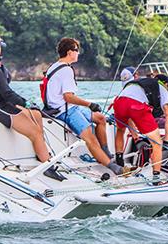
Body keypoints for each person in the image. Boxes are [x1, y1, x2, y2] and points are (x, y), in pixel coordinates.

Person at [0, 32, 65, 182]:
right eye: (0, 47)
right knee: (35, 132)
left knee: (37, 114)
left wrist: (32, 107)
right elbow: (7, 93)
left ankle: (40, 154)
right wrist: (26, 103)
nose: (2, 49)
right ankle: (48, 167)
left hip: (4, 102)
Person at [43, 37, 122, 175]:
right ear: (69, 52)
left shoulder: (54, 66)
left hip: (67, 107)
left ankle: (105, 153)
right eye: (76, 50)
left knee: (100, 118)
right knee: (90, 138)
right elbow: (68, 97)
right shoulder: (66, 70)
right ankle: (113, 167)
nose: (78, 53)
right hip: (65, 111)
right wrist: (89, 104)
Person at [113, 73, 168, 184]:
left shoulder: (139, 82)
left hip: (119, 102)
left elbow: (129, 111)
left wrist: (137, 138)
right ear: (165, 84)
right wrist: (167, 139)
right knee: (157, 143)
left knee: (120, 131)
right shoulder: (162, 88)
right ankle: (156, 179)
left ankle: (119, 165)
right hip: (136, 106)